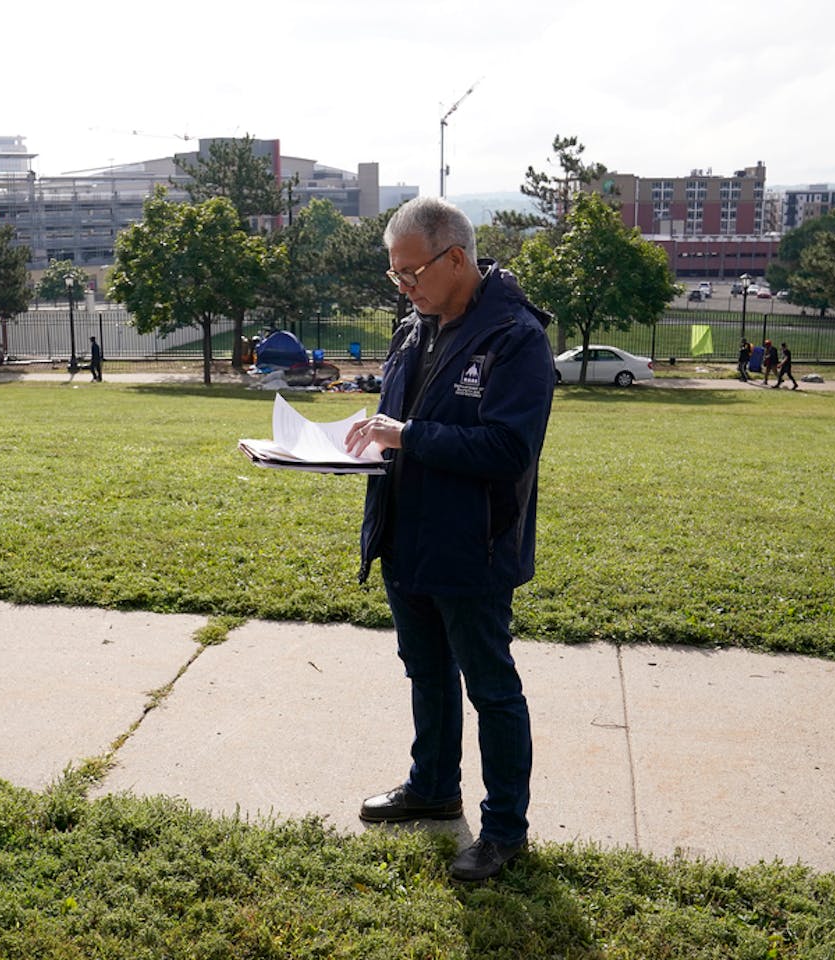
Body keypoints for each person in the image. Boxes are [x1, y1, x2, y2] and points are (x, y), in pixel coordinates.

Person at [344, 197, 554, 883]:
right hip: (408, 537)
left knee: (490, 688)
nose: (403, 287)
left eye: (411, 273)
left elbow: (507, 447)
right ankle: (432, 787)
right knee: (426, 672)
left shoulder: (515, 337)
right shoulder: (416, 326)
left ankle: (503, 832)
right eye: (394, 274)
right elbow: (401, 414)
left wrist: (407, 436)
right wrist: (368, 431)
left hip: (473, 545)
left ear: (456, 258)